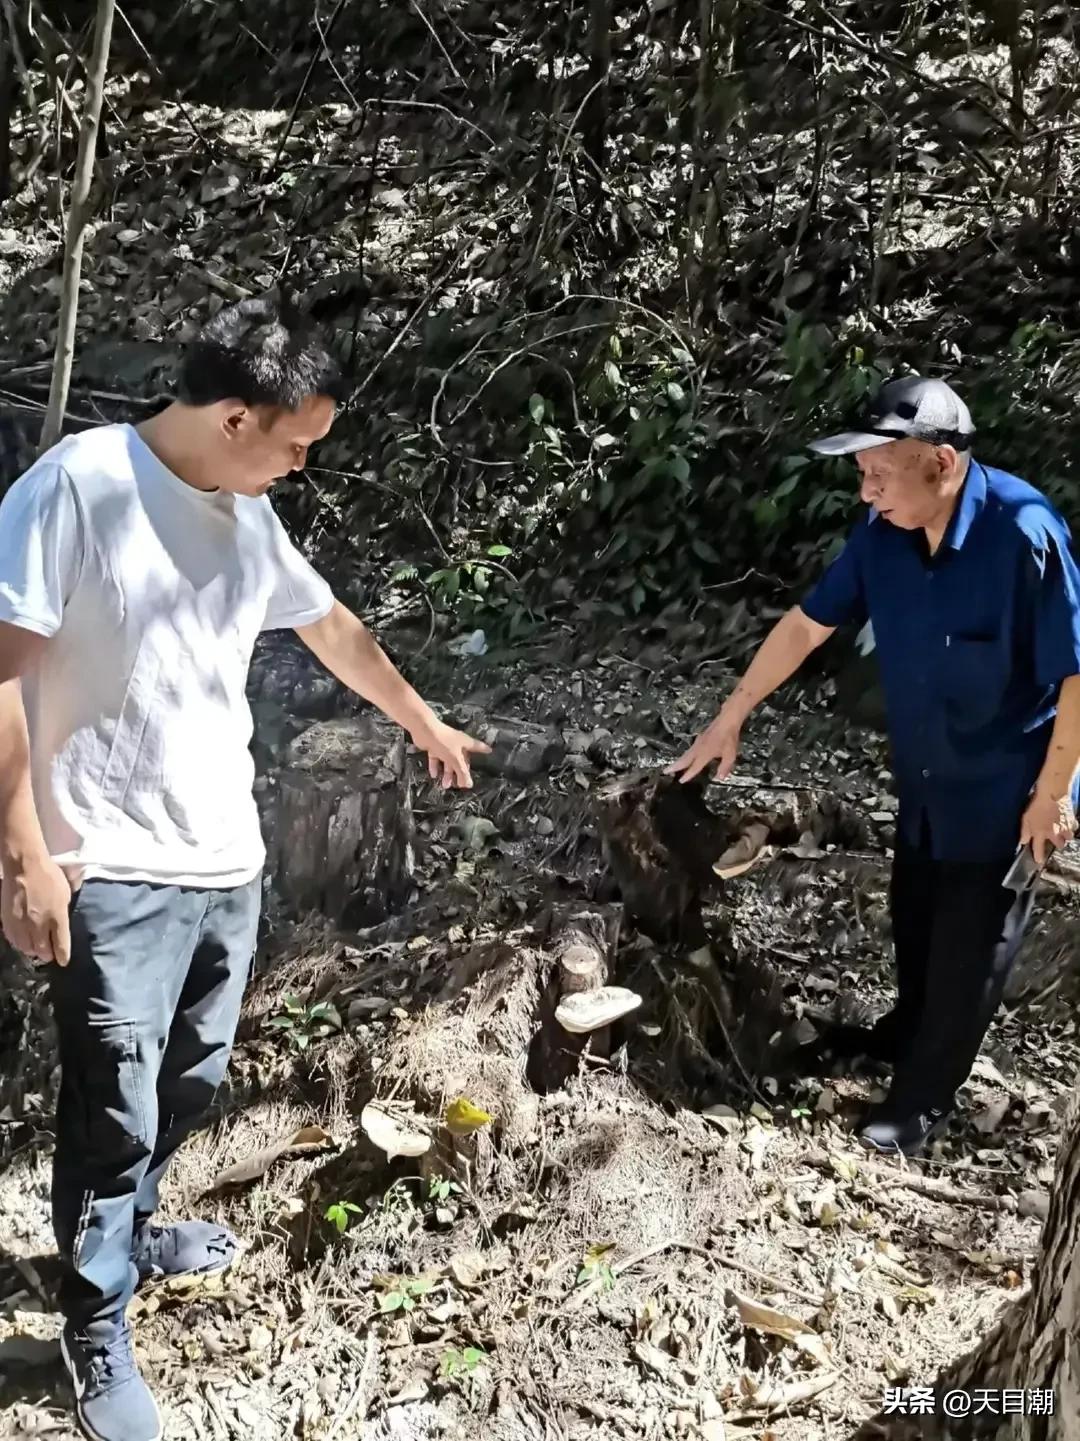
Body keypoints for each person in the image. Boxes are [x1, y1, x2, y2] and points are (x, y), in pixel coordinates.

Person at [0, 297, 488, 1441]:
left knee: (192, 1080)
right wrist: (22, 852)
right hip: (109, 862)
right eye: (297, 442)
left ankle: (130, 1225)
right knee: (113, 1110)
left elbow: (331, 629)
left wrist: (422, 720)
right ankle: (96, 1322)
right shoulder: (80, 489)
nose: (303, 463)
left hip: (224, 856)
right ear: (232, 418)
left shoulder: (242, 512)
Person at [672, 376, 1080, 1157]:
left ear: (943, 465)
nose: (866, 491)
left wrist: (1054, 791)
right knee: (915, 909)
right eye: (861, 474)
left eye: (879, 473)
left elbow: (1077, 671)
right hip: (928, 774)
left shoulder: (1024, 533)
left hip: (1009, 785)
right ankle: (904, 1030)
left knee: (971, 942)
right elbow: (806, 624)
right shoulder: (882, 535)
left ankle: (925, 1094)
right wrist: (733, 714)